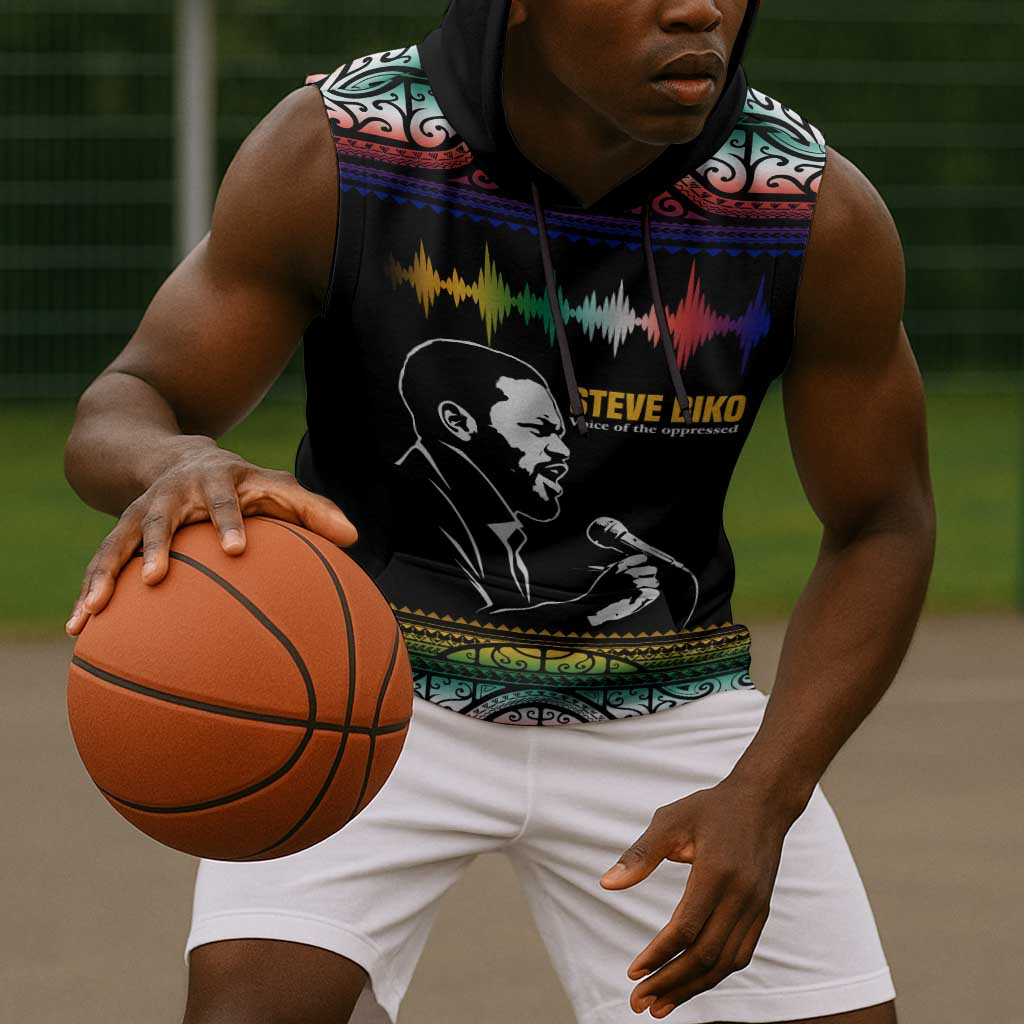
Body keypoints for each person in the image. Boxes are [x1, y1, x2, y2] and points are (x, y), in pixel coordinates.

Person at [63, 1, 935, 1021]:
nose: (700, 8)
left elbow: (884, 521)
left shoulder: (802, 206)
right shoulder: (343, 150)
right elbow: (127, 401)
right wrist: (178, 460)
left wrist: (765, 794)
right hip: (363, 680)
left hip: (661, 694)